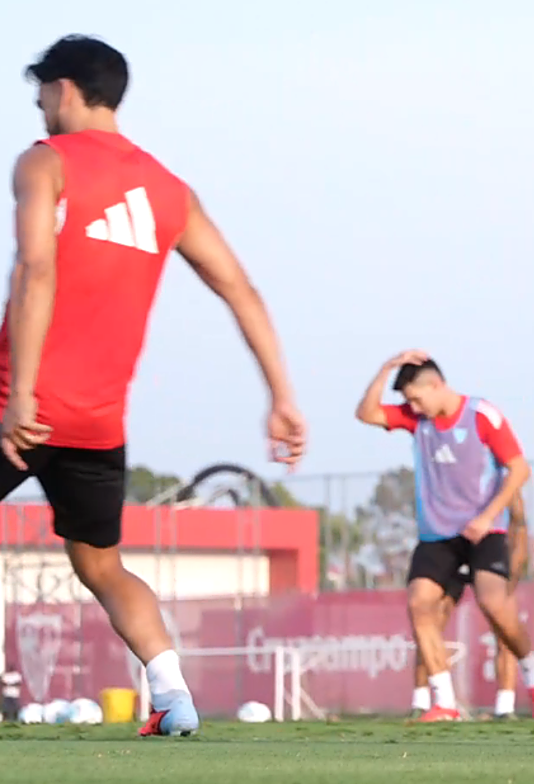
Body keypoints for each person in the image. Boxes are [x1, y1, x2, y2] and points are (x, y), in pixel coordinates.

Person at [0, 36, 306, 737]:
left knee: (100, 564)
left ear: (67, 90)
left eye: (42, 90)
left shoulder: (43, 163)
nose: (40, 105)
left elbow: (34, 271)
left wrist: (19, 397)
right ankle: (172, 695)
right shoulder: (170, 190)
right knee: (101, 566)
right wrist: (282, 396)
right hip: (98, 423)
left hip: (20, 405)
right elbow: (242, 290)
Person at [355, 352, 534, 721]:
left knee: (495, 605)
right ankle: (444, 702)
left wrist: (488, 516)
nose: (411, 406)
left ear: (436, 385)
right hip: (438, 536)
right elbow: (366, 413)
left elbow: (519, 469)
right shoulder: (418, 421)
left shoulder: (481, 415)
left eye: (415, 397)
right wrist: (386, 368)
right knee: (419, 603)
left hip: (484, 530)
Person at [411, 492, 530, 719]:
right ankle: (422, 702)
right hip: (452, 553)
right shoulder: (451, 483)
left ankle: (505, 708)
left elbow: (520, 525)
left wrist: (512, 575)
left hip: (488, 556)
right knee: (429, 623)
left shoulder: (501, 484)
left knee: (504, 629)